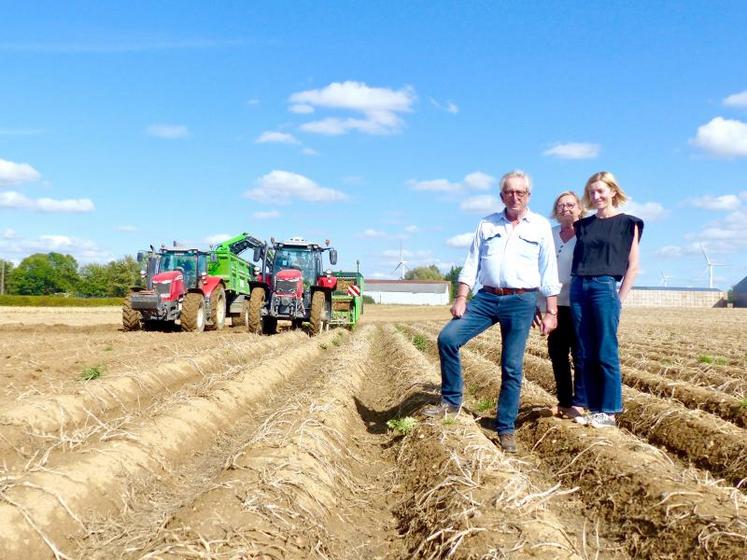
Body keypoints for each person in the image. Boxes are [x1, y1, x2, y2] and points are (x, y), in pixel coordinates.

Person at [424, 170, 561, 454]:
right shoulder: (487, 224)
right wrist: (462, 296)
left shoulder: (540, 226)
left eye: (520, 192)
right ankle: (451, 401)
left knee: (511, 366)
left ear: (528, 196)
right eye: (509, 192)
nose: (515, 197)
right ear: (502, 196)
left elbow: (549, 270)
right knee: (448, 339)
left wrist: (551, 311)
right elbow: (471, 262)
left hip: (521, 301)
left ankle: (505, 427)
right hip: (486, 298)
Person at [570, 171, 643, 429]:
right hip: (579, 286)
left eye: (601, 191)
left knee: (605, 350)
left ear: (613, 191)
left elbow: (633, 266)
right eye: (591, 192)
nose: (596, 196)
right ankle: (595, 408)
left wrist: (619, 298)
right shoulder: (583, 226)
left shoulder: (628, 223)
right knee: (584, 351)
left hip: (604, 287)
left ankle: (610, 411)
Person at [540, 191, 587, 419]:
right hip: (554, 304)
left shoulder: (587, 233)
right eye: (560, 205)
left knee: (580, 353)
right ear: (555, 211)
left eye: (570, 204)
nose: (565, 208)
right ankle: (564, 401)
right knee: (557, 352)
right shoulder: (548, 235)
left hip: (579, 302)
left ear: (579, 208)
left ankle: (579, 403)